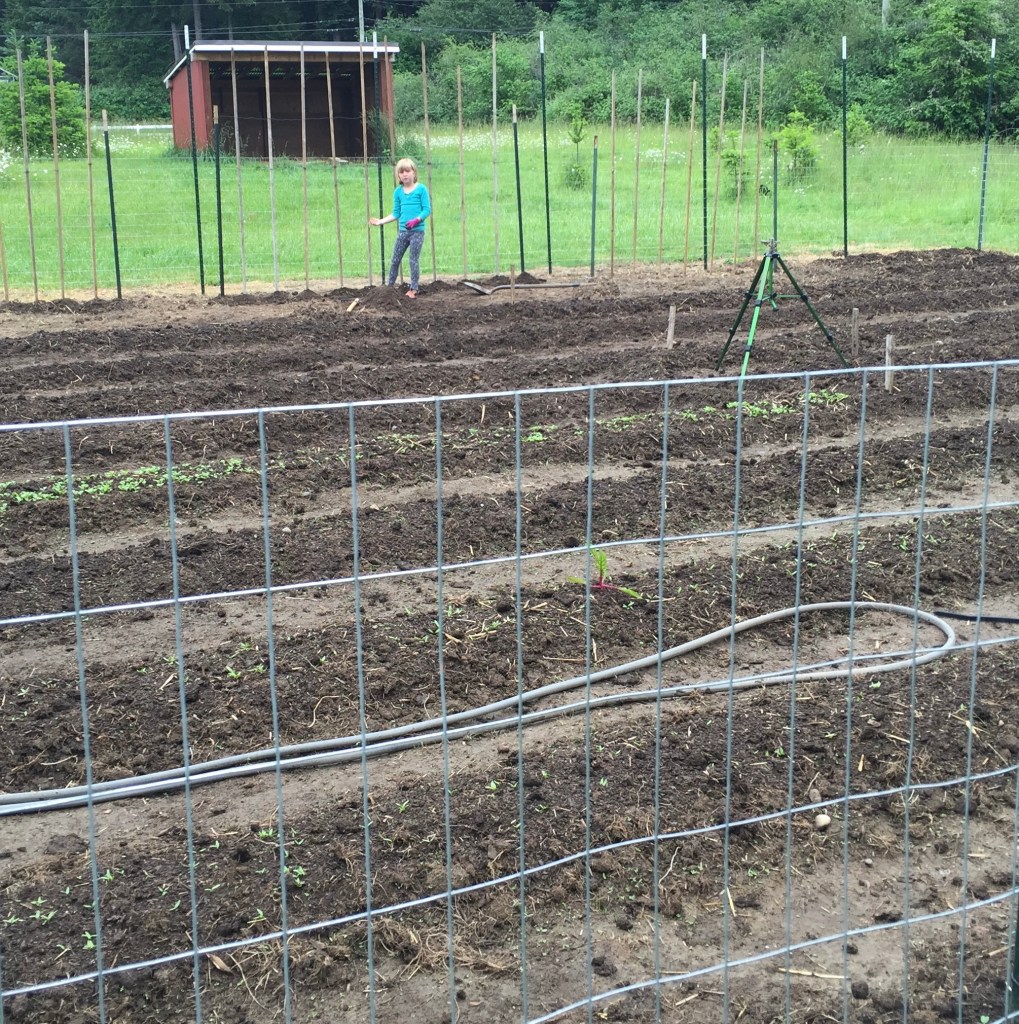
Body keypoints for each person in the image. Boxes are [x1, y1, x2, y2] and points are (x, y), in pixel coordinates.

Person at [369, 157, 431, 299]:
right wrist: (380, 222)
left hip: (417, 232)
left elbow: (427, 210)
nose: (405, 174)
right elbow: (396, 213)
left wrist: (417, 220)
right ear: (398, 175)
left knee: (413, 260)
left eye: (407, 171)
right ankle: (389, 288)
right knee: (395, 259)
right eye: (401, 172)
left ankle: (414, 289)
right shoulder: (398, 192)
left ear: (414, 172)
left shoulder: (421, 189)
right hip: (403, 232)